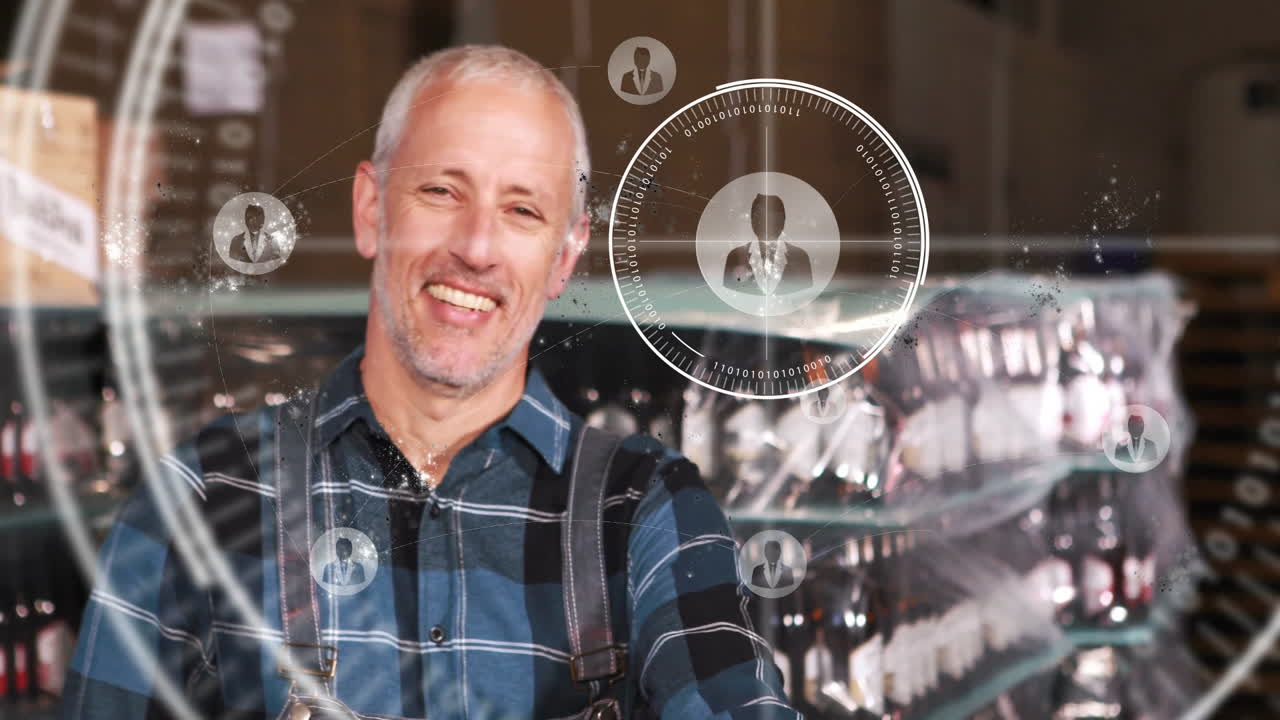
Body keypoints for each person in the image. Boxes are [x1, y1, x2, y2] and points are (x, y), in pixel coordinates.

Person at [64, 45, 795, 720]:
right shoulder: (200, 497)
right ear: (371, 209)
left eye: (521, 210)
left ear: (565, 256)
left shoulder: (647, 511)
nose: (475, 247)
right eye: (443, 191)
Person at [722, 193, 813, 296]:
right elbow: (729, 297)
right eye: (762, 218)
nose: (767, 225)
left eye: (773, 219)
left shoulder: (800, 257)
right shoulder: (735, 256)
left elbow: (807, 299)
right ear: (752, 222)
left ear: (783, 222)